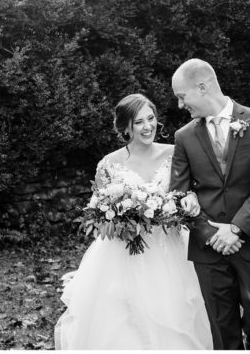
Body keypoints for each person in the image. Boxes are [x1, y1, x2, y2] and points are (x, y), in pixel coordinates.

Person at [55, 93, 213, 349]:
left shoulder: (175, 154)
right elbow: (99, 213)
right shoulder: (109, 164)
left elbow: (190, 190)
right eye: (139, 122)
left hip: (169, 249)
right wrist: (118, 219)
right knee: (123, 321)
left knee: (175, 311)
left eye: (151, 118)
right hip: (124, 254)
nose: (148, 126)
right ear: (126, 127)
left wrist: (190, 200)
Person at [170, 59, 250, 350]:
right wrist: (210, 234)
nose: (181, 105)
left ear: (203, 87)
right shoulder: (184, 137)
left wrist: (236, 229)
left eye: (182, 97)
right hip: (208, 251)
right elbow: (177, 195)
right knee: (222, 331)